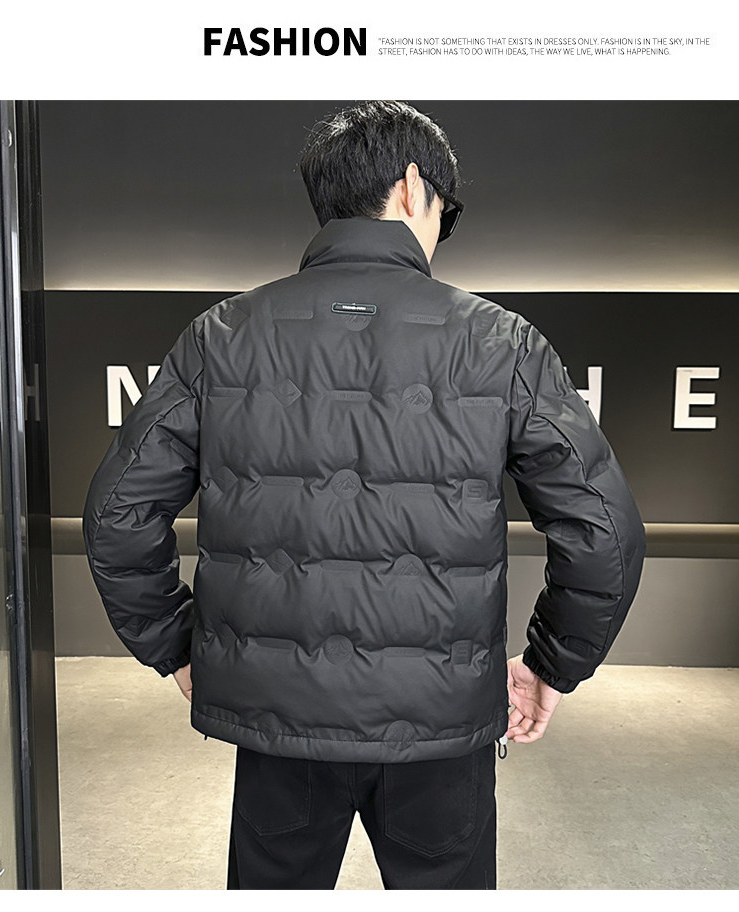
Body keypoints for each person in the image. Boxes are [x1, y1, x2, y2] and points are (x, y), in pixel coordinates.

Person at [82, 100, 646, 890]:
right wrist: (554, 663)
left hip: (278, 723)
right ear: (412, 187)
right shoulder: (501, 343)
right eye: (446, 209)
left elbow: (117, 515)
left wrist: (179, 647)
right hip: (441, 728)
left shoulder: (221, 337)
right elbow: (604, 532)